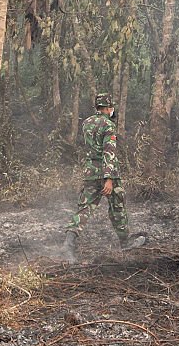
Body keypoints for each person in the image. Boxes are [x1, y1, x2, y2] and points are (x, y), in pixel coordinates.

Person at [60, 93, 146, 263]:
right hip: (107, 172)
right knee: (118, 205)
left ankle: (68, 244)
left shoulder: (86, 123)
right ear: (108, 108)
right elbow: (109, 152)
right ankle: (125, 242)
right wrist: (109, 178)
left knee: (84, 208)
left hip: (90, 172)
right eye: (111, 108)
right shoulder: (108, 125)